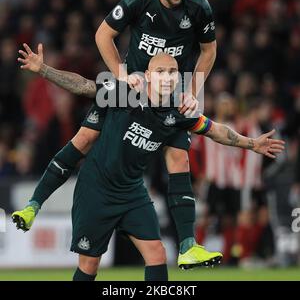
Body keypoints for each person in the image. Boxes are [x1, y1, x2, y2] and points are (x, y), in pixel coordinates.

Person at [14, 0, 218, 267]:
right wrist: (121, 75)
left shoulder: (199, 7)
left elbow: (209, 51)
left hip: (172, 91)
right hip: (133, 89)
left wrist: (193, 91)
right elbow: (103, 34)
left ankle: (189, 244)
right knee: (84, 140)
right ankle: (34, 204)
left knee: (178, 157)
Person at [13, 53, 285, 281]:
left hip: (132, 192)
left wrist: (252, 144)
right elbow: (83, 85)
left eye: (172, 72)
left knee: (157, 253)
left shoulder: (178, 111)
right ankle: (34, 205)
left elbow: (215, 130)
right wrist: (44, 70)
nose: (167, 77)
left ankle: (186, 246)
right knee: (89, 265)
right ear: (149, 76)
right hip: (96, 189)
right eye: (161, 72)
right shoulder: (124, 94)